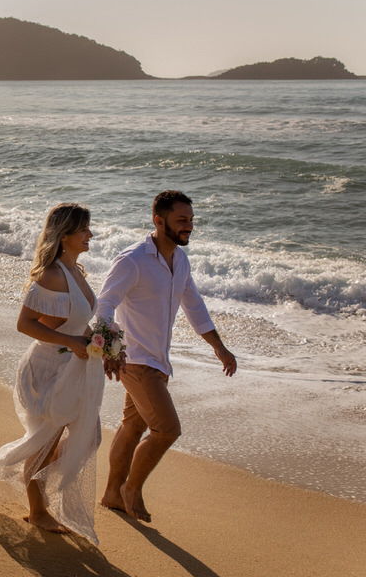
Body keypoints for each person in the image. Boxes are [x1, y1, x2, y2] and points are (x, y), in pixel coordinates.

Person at [97, 190, 236, 523]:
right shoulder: (133, 260)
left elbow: (195, 307)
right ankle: (132, 488)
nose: (189, 227)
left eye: (191, 220)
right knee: (167, 430)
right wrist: (110, 349)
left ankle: (112, 494)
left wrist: (218, 346)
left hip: (158, 361)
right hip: (135, 360)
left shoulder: (180, 260)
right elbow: (104, 303)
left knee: (133, 426)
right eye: (181, 220)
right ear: (159, 221)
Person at [0, 203, 108, 545]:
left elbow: (75, 321)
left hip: (74, 366)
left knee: (87, 438)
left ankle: (32, 480)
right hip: (48, 368)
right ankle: (37, 507)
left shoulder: (77, 271)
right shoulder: (50, 275)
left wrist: (101, 341)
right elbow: (25, 324)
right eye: (84, 230)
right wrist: (72, 341)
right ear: (65, 236)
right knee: (46, 440)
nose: (89, 235)